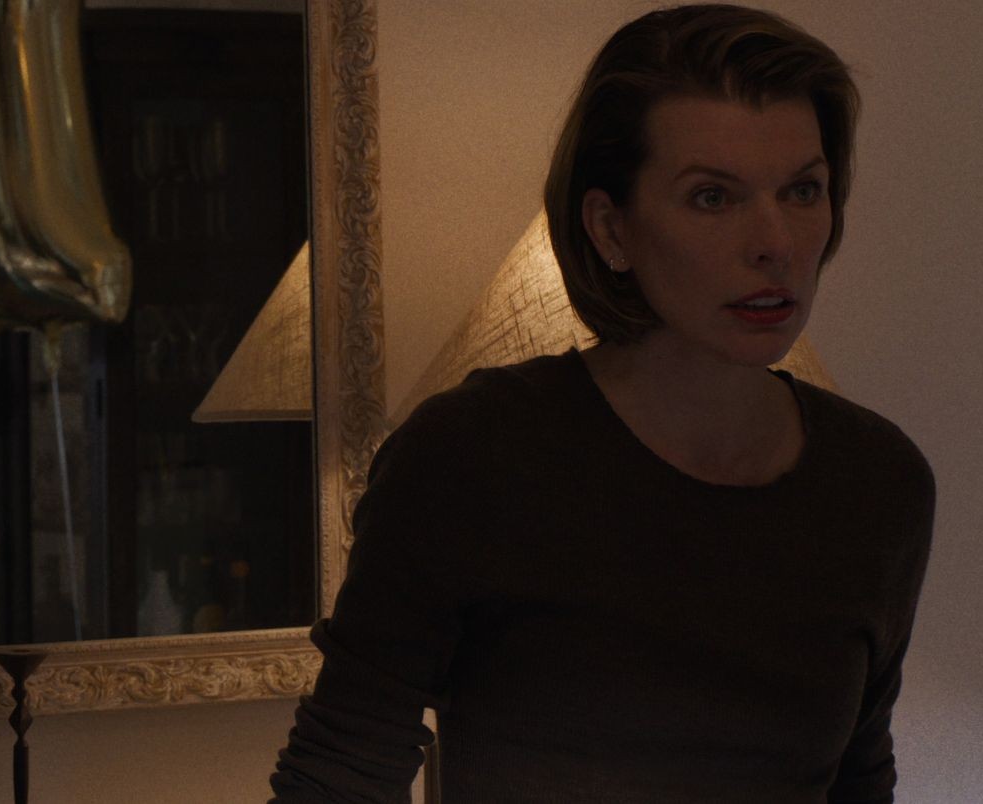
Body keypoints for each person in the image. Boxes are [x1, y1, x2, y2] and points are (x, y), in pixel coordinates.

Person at [271, 5, 933, 802]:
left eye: (802, 190)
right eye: (712, 197)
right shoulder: (474, 456)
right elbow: (337, 775)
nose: (776, 243)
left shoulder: (878, 483)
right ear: (611, 229)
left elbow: (860, 778)